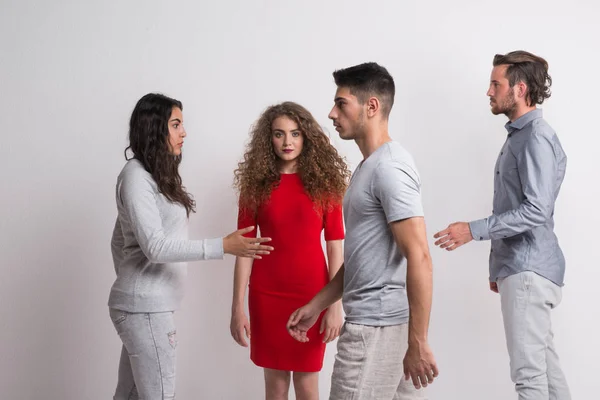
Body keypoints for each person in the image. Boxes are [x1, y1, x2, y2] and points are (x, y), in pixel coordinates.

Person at [287, 63, 438, 400]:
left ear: (371, 107)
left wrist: (418, 341)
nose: (331, 113)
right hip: (381, 325)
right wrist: (317, 304)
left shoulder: (389, 168)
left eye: (341, 103)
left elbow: (420, 255)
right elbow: (361, 258)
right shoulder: (370, 168)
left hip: (376, 329)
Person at [108, 93, 273, 400]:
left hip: (144, 305)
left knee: (128, 396)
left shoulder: (153, 177)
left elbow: (118, 239)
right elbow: (154, 247)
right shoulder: (135, 178)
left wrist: (134, 283)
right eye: (175, 124)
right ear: (153, 128)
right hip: (144, 309)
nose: (184, 132)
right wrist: (222, 246)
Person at [433, 51, 571, 400]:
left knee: (529, 378)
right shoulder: (520, 136)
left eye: (496, 84)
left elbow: (536, 209)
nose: (489, 91)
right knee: (547, 375)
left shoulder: (535, 136)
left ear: (520, 89)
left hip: (528, 268)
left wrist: (472, 230)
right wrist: (499, 268)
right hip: (522, 267)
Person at [231, 101, 350, 400]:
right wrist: (237, 307)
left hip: (312, 295)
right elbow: (245, 249)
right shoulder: (255, 186)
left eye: (295, 134)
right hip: (266, 294)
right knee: (275, 387)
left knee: (308, 387)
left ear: (306, 137)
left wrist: (333, 306)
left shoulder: (326, 185)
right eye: (279, 134)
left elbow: (335, 246)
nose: (287, 142)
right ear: (268, 138)